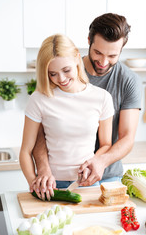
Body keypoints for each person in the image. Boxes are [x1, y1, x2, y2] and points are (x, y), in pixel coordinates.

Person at [30, 13, 142, 199]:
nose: (104, 62)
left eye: (112, 55)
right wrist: (42, 167)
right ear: (89, 40)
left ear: (122, 49)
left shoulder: (129, 81)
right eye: (98, 53)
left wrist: (100, 161)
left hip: (109, 176)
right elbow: (40, 131)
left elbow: (127, 138)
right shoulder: (64, 72)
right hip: (59, 177)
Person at [19, 34, 114, 200]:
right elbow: (25, 151)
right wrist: (34, 183)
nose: (61, 79)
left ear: (77, 57)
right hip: (52, 185)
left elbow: (106, 144)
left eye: (66, 70)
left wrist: (96, 163)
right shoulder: (39, 99)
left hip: (87, 183)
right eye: (52, 74)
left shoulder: (102, 97)